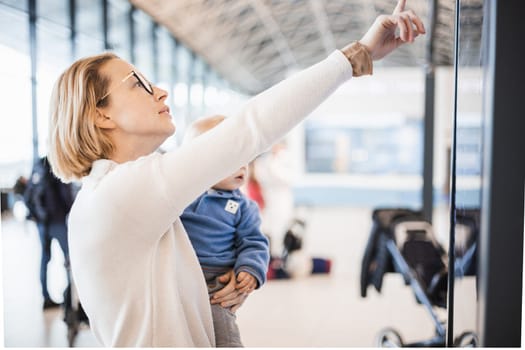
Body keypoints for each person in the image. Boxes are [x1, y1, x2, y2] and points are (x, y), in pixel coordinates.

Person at [46, 0, 425, 346]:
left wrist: (220, 282)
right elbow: (249, 129)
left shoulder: (112, 197)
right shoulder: (122, 192)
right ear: (101, 114)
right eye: (140, 85)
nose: (161, 92)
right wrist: (356, 56)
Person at [181, 115, 269, 347]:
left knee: (222, 330)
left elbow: (254, 242)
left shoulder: (243, 206)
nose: (241, 166)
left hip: (216, 280)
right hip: (179, 275)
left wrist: (250, 269)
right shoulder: (181, 197)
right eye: (230, 159)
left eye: (245, 158)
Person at [23, 156, 74, 310]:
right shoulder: (56, 166)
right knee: (69, 259)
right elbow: (66, 196)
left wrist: (37, 216)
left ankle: (45, 298)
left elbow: (27, 197)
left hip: (42, 223)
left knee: (44, 260)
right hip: (57, 221)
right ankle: (70, 298)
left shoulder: (37, 167)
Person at [254, 140, 295, 256]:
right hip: (268, 197)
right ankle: (270, 257)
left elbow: (285, 178)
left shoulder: (285, 158)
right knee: (267, 228)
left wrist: (274, 162)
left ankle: (278, 258)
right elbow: (260, 176)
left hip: (281, 198)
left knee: (281, 228)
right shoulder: (265, 160)